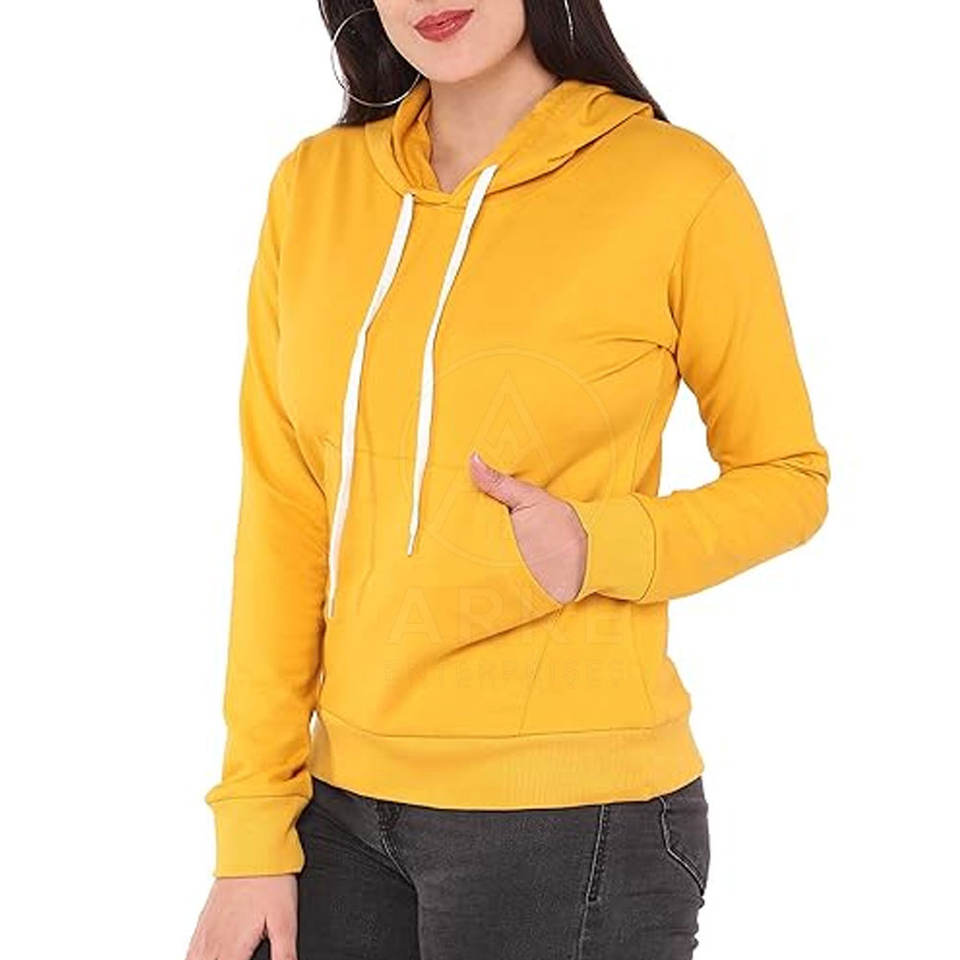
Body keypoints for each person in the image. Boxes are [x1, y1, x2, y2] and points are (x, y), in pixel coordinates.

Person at [187, 2, 831, 958]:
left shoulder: (675, 186)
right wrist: (252, 828)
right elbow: (283, 511)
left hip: (570, 815)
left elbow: (788, 477)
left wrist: (598, 546)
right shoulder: (312, 189)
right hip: (339, 810)